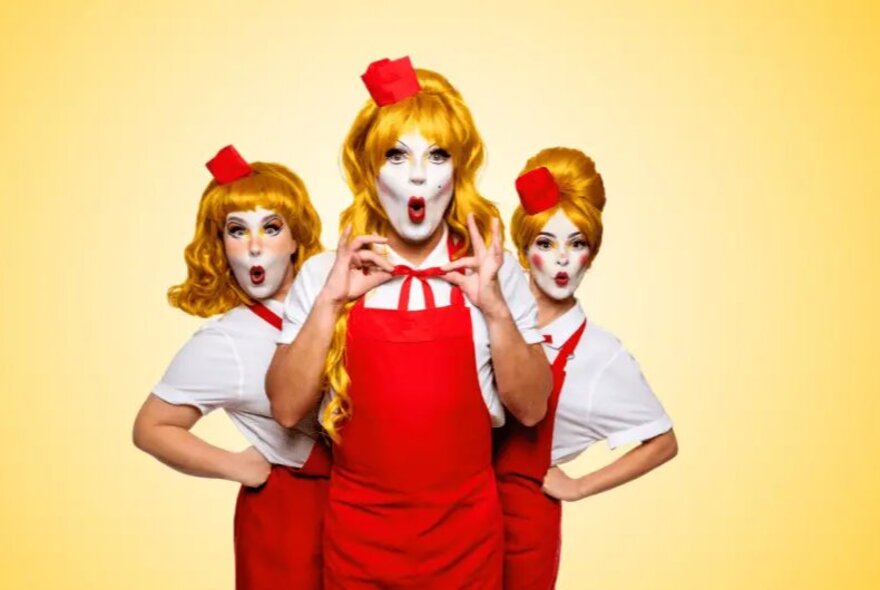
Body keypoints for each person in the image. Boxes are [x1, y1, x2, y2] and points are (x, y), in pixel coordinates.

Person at [266, 57, 552, 589]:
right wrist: (330, 302)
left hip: (466, 538)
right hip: (358, 537)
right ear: (369, 171)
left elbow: (532, 408)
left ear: (457, 172)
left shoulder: (493, 271)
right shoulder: (324, 275)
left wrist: (495, 309)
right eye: (396, 155)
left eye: (436, 155)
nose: (418, 173)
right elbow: (285, 408)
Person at [132, 145, 328, 589]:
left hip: (367, 501)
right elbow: (152, 427)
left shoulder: (339, 298)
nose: (255, 245)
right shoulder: (225, 341)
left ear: (296, 238)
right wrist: (239, 466)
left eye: (271, 227)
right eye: (237, 231)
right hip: (289, 517)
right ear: (220, 246)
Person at [496, 147, 679, 589]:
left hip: (521, 530)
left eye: (577, 244)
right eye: (546, 243)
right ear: (522, 251)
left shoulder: (601, 355)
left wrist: (578, 486)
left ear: (591, 256)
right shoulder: (491, 300)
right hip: (454, 506)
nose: (562, 259)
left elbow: (663, 442)